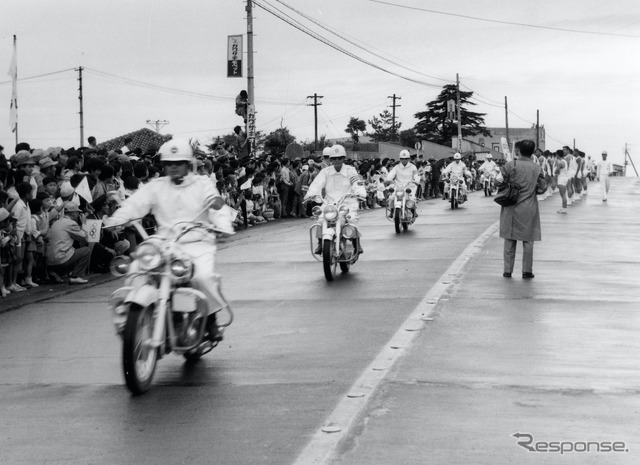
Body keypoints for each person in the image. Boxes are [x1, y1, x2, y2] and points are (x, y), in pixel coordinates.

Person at [104, 138, 234, 342]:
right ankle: (131, 314)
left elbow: (216, 207)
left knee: (201, 276)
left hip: (197, 241)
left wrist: (223, 226)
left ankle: (210, 318)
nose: (174, 168)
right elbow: (135, 204)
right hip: (164, 242)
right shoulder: (156, 186)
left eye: (178, 163)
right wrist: (118, 219)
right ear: (164, 165)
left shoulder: (203, 183)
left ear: (188, 164)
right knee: (137, 267)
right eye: (169, 164)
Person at [304, 144, 366, 254]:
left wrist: (360, 193)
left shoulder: (350, 170)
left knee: (351, 219)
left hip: (347, 203)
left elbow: (356, 183)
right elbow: (317, 184)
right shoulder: (325, 172)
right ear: (331, 159)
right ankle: (320, 242)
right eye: (334, 158)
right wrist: (311, 194)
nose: (337, 160)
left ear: (343, 158)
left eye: (340, 158)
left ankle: (356, 243)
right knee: (321, 219)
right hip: (329, 204)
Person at [497, 140, 545, 279]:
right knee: (528, 240)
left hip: (511, 206)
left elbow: (498, 181)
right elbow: (542, 188)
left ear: (518, 151)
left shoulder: (510, 165)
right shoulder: (537, 168)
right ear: (533, 152)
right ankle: (527, 271)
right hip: (529, 207)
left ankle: (507, 271)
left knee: (510, 239)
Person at [45, 201, 91, 284]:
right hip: (61, 259)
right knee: (86, 250)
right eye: (77, 212)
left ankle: (58, 272)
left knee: (72, 249)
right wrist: (84, 224)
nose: (78, 215)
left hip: (49, 260)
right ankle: (76, 276)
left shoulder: (57, 222)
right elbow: (85, 237)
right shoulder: (71, 223)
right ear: (74, 213)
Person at [385, 149, 419, 218]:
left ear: (409, 159)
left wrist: (416, 180)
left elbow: (416, 175)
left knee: (411, 198)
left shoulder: (413, 167)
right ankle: (392, 210)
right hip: (398, 186)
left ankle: (413, 211)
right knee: (391, 197)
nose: (404, 160)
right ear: (400, 159)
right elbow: (391, 174)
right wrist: (388, 179)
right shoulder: (396, 167)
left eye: (406, 158)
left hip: (409, 186)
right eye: (402, 159)